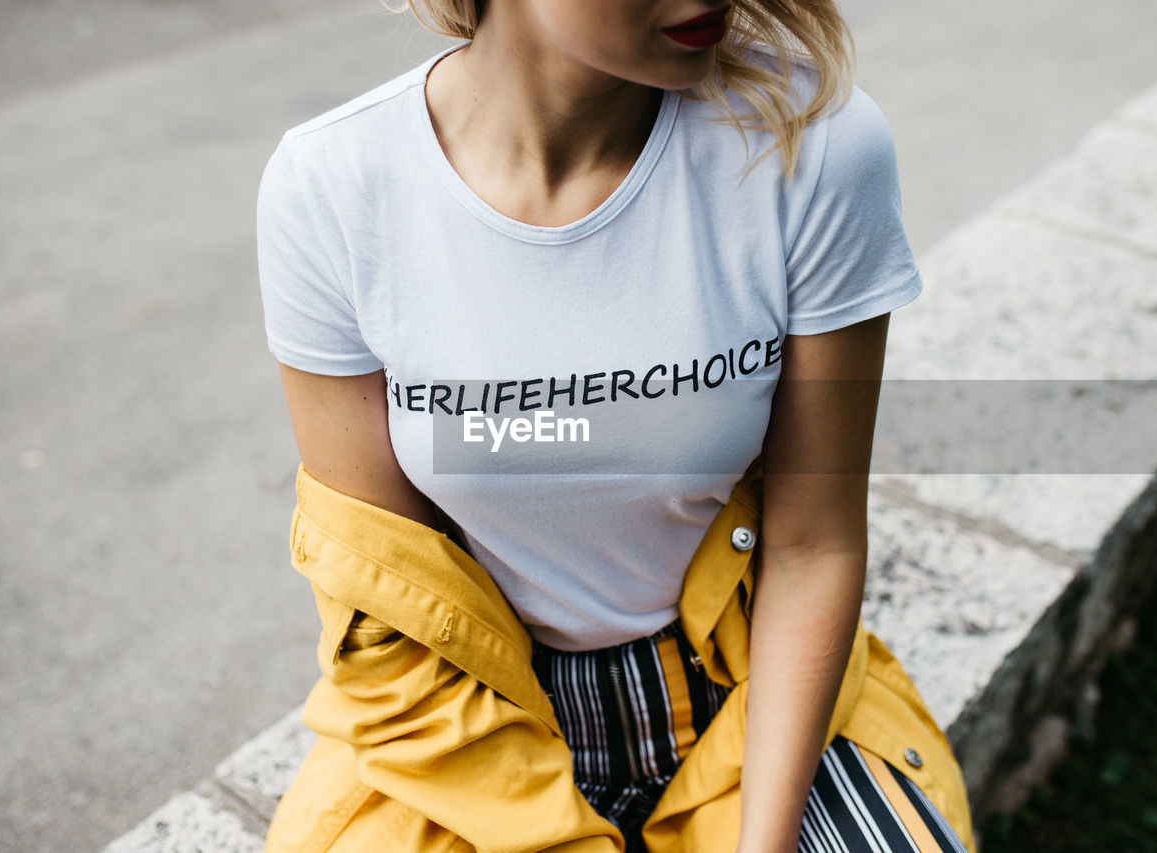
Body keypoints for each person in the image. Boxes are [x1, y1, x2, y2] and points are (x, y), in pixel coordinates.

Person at [255, 0, 975, 850]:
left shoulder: (811, 145)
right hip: (470, 728)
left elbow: (812, 546)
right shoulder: (333, 187)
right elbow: (388, 609)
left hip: (744, 698)